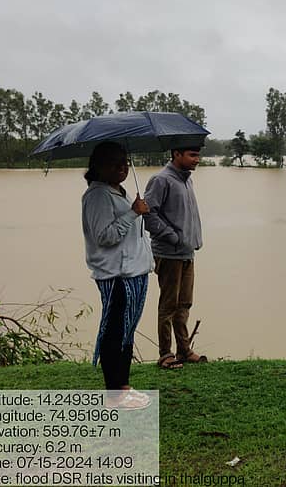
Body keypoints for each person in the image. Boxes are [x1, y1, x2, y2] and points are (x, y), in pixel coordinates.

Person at [82, 141, 153, 409]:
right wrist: (134, 213)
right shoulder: (97, 196)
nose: (122, 167)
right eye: (114, 163)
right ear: (99, 166)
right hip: (117, 275)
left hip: (134, 273)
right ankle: (114, 393)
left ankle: (123, 386)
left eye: (124, 162)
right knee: (114, 333)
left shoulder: (117, 192)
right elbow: (105, 236)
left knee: (126, 332)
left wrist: (135, 212)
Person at [144, 145, 206, 369]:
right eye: (192, 155)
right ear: (176, 154)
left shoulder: (186, 180)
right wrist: (173, 237)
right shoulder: (161, 180)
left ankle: (184, 350)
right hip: (169, 253)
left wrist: (189, 240)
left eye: (198, 155)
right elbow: (148, 213)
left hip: (187, 252)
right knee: (169, 305)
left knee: (185, 303)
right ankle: (165, 354)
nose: (196, 159)